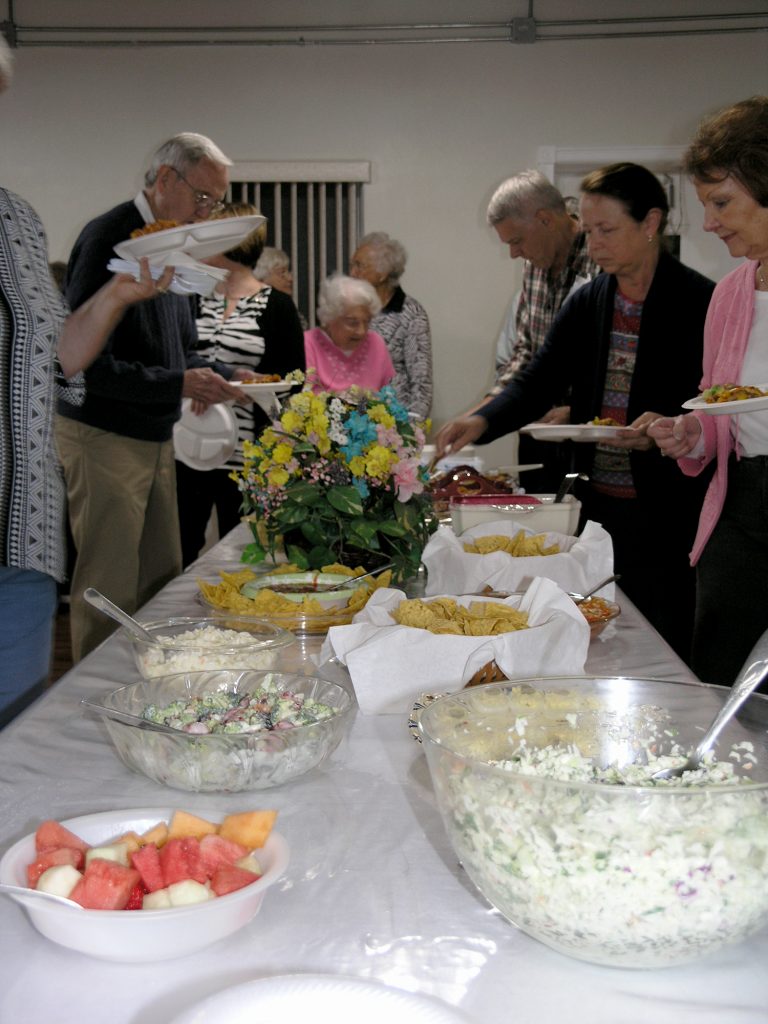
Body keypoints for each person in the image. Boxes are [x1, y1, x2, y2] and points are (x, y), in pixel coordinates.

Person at [435, 163, 715, 661]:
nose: (594, 243)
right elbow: (537, 378)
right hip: (596, 503)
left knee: (662, 638)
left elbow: (711, 399)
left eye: (607, 230)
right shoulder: (590, 299)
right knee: (596, 634)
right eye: (589, 231)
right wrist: (482, 419)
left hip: (667, 507)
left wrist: (666, 423)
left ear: (650, 223)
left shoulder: (700, 300)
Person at [0, 38, 174, 724]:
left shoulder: (13, 217)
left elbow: (53, 358)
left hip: (22, 533)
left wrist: (114, 298)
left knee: (13, 746)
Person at [56, 132, 248, 660]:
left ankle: (144, 689)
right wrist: (178, 383)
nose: (208, 212)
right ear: (166, 179)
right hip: (104, 434)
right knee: (108, 588)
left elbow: (179, 352)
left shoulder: (172, 244)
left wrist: (229, 376)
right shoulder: (112, 235)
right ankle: (91, 714)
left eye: (216, 202)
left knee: (159, 584)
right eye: (203, 197)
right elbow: (82, 365)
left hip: (154, 433)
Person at [649, 96, 768, 685]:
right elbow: (719, 403)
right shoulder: (730, 293)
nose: (709, 222)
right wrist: (693, 431)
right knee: (725, 681)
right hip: (743, 508)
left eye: (722, 202)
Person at [176, 204, 306, 567]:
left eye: (211, 237)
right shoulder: (191, 299)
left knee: (245, 549)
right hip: (187, 443)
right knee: (180, 546)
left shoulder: (277, 306)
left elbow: (294, 382)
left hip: (247, 450)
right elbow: (176, 358)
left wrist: (247, 389)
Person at [466, 173, 598, 491]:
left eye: (516, 241)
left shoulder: (601, 259)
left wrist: (576, 411)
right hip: (538, 432)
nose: (514, 253)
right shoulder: (534, 263)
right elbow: (526, 351)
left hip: (589, 438)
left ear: (544, 220)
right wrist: (486, 409)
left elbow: (611, 363)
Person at [349, 232, 432, 419]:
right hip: (350, 425)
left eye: (359, 266)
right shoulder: (347, 311)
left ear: (382, 273)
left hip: (392, 426)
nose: (352, 273)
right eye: (352, 265)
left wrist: (408, 435)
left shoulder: (411, 313)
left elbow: (422, 386)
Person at [304, 274, 394, 393]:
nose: (361, 331)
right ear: (330, 317)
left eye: (367, 322)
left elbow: (389, 395)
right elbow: (302, 399)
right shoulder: (307, 343)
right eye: (352, 323)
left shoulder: (376, 343)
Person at [253, 246, 308, 328]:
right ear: (261, 278)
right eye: (282, 273)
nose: (290, 278)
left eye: (288, 271)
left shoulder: (287, 309)